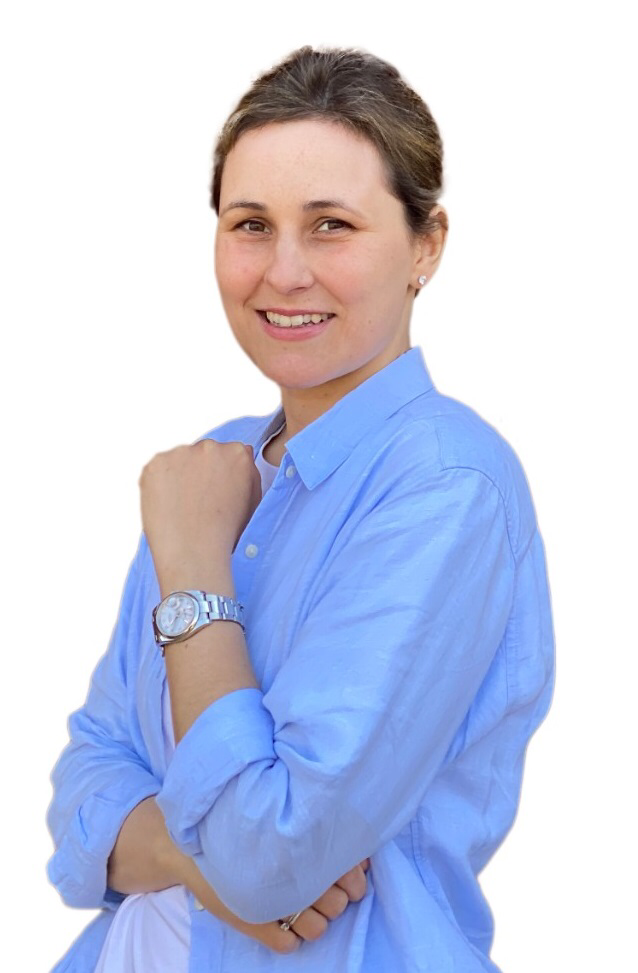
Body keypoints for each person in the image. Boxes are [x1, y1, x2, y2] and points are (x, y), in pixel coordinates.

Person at [46, 44, 555, 972]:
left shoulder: (445, 487)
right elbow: (82, 797)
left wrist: (192, 566)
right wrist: (200, 866)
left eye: (331, 226)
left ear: (427, 245)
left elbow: (269, 856)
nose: (283, 271)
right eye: (251, 224)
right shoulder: (213, 470)